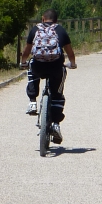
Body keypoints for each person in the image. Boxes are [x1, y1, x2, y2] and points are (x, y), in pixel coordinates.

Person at [24, 9, 77, 144]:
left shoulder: (35, 29)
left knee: (31, 68)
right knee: (58, 94)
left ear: (43, 18)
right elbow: (70, 52)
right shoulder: (60, 30)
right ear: (56, 20)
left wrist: (23, 62)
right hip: (55, 68)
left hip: (38, 67)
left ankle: (32, 101)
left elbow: (27, 50)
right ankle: (56, 124)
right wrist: (73, 63)